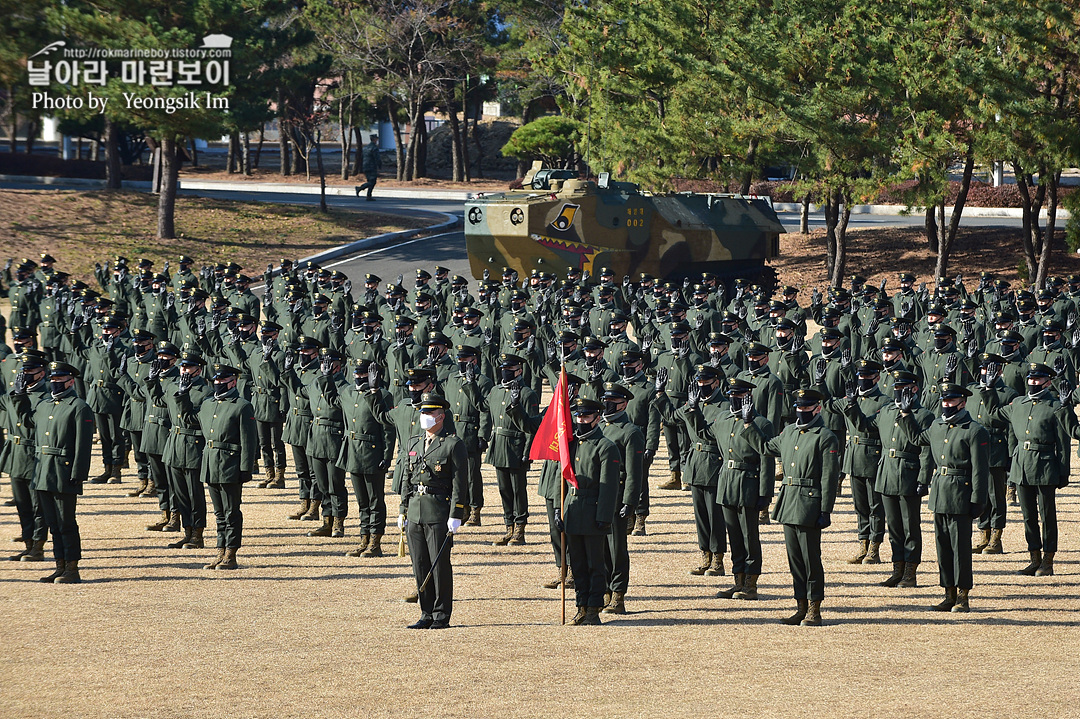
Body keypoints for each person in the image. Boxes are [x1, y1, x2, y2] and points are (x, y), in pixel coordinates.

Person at [741, 388, 839, 626]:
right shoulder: (789, 432)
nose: (801, 411)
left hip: (809, 504)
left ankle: (815, 607)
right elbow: (765, 447)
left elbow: (829, 476)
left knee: (810, 559)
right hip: (789, 502)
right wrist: (748, 423)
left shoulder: (824, 437)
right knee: (794, 559)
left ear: (818, 408)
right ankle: (800, 606)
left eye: (806, 407)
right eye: (798, 407)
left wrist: (826, 510)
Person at [898, 382, 989, 612]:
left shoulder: (974, 430)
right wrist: (906, 414)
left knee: (961, 549)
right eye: (944, 401)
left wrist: (979, 500)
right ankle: (947, 592)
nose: (947, 405)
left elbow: (980, 469)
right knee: (942, 547)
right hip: (940, 494)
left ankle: (962, 595)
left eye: (951, 401)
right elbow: (918, 439)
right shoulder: (937, 425)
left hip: (961, 494)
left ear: (963, 402)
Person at [398, 393, 468, 629]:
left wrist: (456, 514)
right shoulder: (413, 442)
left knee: (439, 566)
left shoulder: (452, 444)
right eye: (422, 412)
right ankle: (425, 612)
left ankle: (440, 614)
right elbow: (407, 479)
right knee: (420, 564)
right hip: (416, 510)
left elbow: (460, 483)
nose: (424, 417)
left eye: (429, 413)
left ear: (441, 416)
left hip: (438, 511)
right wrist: (402, 510)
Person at [28, 362, 95, 583]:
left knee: (66, 522)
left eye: (60, 380)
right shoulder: (44, 405)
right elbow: (28, 422)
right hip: (43, 471)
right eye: (53, 380)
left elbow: (83, 444)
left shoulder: (79, 406)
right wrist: (20, 394)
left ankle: (72, 568)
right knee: (52, 523)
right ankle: (59, 565)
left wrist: (78, 473)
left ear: (71, 381)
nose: (55, 384)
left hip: (63, 471)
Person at [558, 397, 620, 625]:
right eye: (578, 416)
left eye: (585, 416)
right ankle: (581, 605)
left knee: (595, 564)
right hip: (573, 511)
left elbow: (608, 486)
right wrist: (559, 508)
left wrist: (604, 517)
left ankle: (593, 607)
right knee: (578, 564)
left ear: (596, 418)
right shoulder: (572, 444)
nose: (580, 420)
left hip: (593, 511)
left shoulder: (606, 447)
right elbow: (562, 478)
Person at [197, 364, 258, 570]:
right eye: (216, 381)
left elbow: (248, 440)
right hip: (211, 462)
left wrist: (245, 468)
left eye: (222, 381)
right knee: (218, 512)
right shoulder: (207, 404)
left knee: (231, 511)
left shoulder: (241, 406)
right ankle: (220, 550)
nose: (218, 384)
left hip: (230, 464)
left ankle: (231, 553)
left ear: (233, 382)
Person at [354, 135, 381, 201]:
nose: (377, 140)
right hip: (372, 166)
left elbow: (361, 157)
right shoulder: (374, 148)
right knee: (372, 182)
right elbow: (377, 158)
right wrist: (379, 165)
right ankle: (360, 188)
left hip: (365, 166)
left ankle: (369, 196)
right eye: (376, 139)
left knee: (370, 181)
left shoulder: (365, 148)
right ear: (374, 139)